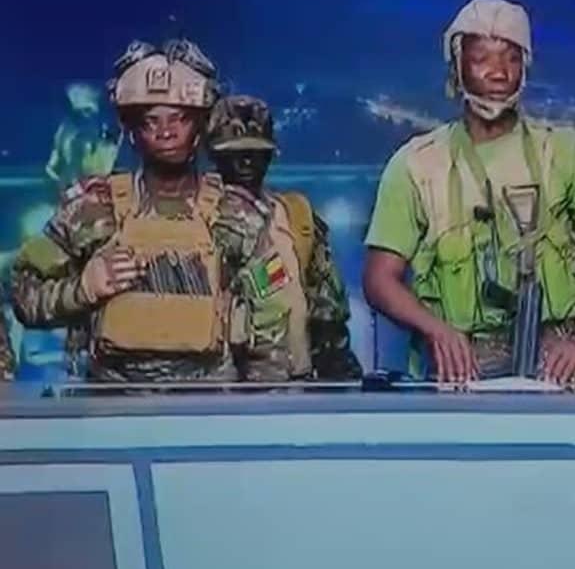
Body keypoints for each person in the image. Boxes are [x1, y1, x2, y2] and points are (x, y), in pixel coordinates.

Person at [363, 0, 575, 383]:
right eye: (482, 58)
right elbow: (379, 279)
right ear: (457, 66)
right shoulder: (416, 165)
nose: (499, 73)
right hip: (457, 369)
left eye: (511, 58)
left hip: (554, 366)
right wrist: (436, 330)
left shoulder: (565, 152)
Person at [11, 39, 289, 382]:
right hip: (110, 399)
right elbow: (23, 293)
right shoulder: (93, 211)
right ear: (132, 132)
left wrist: (262, 400)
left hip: (212, 401)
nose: (166, 132)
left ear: (200, 126)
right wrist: (81, 291)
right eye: (151, 121)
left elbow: (274, 311)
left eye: (179, 119)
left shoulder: (238, 216)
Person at [206, 95, 361, 381]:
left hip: (297, 385)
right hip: (224, 387)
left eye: (257, 152)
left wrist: (335, 363)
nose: (246, 161)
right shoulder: (201, 219)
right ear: (214, 156)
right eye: (234, 153)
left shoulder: (295, 215)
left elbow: (327, 305)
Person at [45, 82, 122, 192]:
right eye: (77, 114)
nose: (83, 118)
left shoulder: (117, 138)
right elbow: (53, 171)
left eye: (87, 111)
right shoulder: (65, 134)